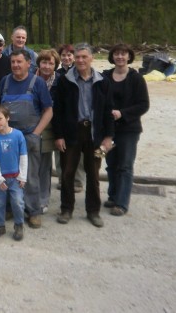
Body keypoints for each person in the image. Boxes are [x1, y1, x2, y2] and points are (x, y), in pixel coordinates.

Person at [53, 42, 114, 228]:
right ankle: (66, 209)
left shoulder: (102, 81)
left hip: (95, 134)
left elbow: (108, 111)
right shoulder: (65, 81)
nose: (80, 60)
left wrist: (108, 137)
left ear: (91, 58)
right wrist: (59, 135)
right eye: (77, 57)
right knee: (67, 173)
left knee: (93, 174)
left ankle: (93, 211)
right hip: (72, 132)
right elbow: (58, 110)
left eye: (84, 57)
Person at [0, 49, 53, 229]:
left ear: (29, 64)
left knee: (30, 176)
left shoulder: (38, 83)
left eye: (19, 62)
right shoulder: (5, 82)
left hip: (29, 137)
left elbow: (48, 111)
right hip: (7, 138)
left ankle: (33, 212)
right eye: (13, 62)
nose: (15, 65)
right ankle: (10, 208)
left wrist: (36, 133)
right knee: (7, 174)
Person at [102, 43, 150, 216]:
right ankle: (113, 196)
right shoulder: (105, 77)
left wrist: (122, 113)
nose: (120, 57)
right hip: (109, 128)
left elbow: (143, 105)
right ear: (112, 57)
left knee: (125, 165)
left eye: (123, 54)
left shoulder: (136, 79)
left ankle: (121, 203)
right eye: (117, 54)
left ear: (129, 57)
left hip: (129, 129)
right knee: (111, 164)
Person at [0, 105, 27, 241]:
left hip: (16, 178)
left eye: (0, 119)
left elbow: (23, 157)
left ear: (7, 118)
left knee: (18, 202)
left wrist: (22, 176)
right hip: (0, 179)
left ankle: (19, 225)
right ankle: (0, 226)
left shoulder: (18, 135)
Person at [55, 43, 84, 192]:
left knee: (79, 152)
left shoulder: (80, 72)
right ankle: (62, 178)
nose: (66, 58)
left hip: (77, 117)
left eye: (69, 55)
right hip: (61, 116)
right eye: (63, 55)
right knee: (60, 150)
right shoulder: (57, 74)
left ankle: (77, 181)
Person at [35, 49, 61, 212]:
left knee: (44, 166)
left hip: (50, 128)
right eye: (44, 62)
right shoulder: (30, 78)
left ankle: (42, 200)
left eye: (50, 63)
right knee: (29, 165)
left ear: (55, 65)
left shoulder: (60, 82)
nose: (46, 66)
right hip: (30, 126)